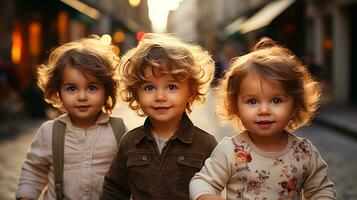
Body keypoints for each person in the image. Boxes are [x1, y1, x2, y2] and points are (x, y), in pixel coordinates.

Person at [189, 37, 336, 200]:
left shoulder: (304, 152)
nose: (264, 110)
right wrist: (206, 195)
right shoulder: (231, 150)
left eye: (276, 100)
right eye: (252, 101)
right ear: (235, 106)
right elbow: (202, 181)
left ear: (295, 104)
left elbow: (321, 189)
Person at [100, 33, 218, 200]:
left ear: (190, 92)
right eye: (149, 88)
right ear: (136, 93)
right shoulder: (130, 142)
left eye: (171, 87)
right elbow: (114, 189)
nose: (160, 96)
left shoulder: (206, 144)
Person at [16, 35, 124, 200]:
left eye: (92, 87)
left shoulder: (119, 131)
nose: (82, 97)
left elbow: (133, 175)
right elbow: (34, 171)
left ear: (107, 90)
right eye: (72, 88)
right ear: (58, 91)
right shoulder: (49, 132)